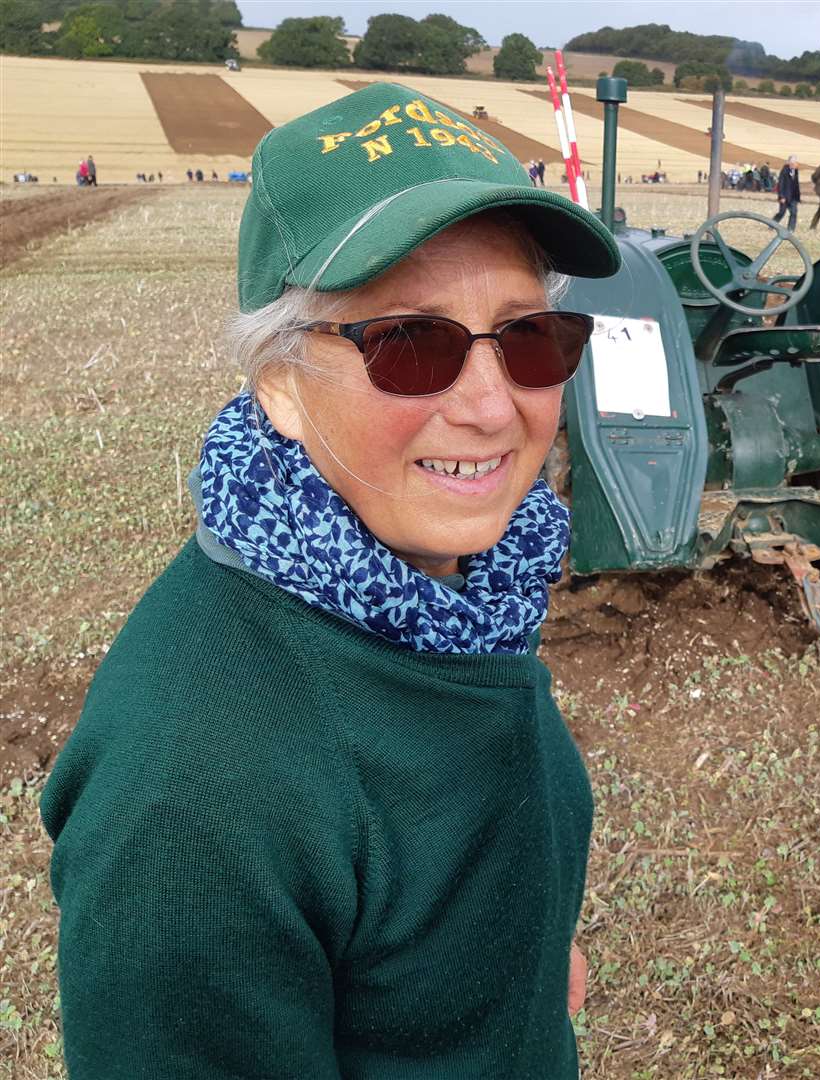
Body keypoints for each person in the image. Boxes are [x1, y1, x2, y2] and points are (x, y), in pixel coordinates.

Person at [41, 81, 622, 1080]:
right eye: (410, 344)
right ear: (279, 382)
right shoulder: (193, 797)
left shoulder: (464, 590)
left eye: (530, 337)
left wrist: (520, 964)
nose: (492, 406)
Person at [773, 154, 800, 230]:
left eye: (796, 163)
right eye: (793, 163)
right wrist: (781, 196)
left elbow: (796, 184)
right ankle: (772, 225)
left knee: (794, 213)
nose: (795, 165)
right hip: (785, 196)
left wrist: (798, 197)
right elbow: (780, 184)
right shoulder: (784, 171)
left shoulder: (796, 171)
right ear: (789, 163)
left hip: (793, 197)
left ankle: (790, 229)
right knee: (781, 213)